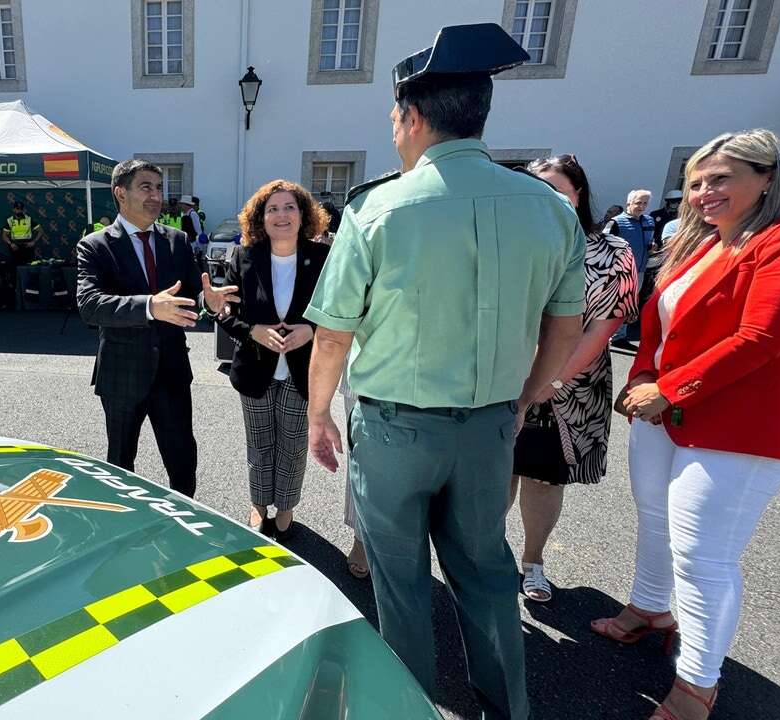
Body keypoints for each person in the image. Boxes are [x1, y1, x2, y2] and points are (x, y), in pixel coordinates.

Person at [304, 24, 585, 719]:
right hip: (490, 423)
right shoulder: (550, 207)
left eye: (395, 119)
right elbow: (566, 324)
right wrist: (527, 397)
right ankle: (506, 709)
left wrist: (317, 414)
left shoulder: (378, 207)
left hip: (395, 426)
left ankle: (412, 708)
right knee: (487, 574)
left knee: (401, 583)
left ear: (413, 117)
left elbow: (333, 335)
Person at [595, 129, 780, 720]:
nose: (702, 192)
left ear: (767, 177)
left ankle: (696, 684)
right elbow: (656, 327)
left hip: (738, 427)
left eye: (719, 178)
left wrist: (667, 389)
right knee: (653, 520)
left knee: (703, 556)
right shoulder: (701, 246)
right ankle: (648, 609)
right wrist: (643, 378)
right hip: (664, 414)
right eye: (695, 181)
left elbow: (762, 339)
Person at [509, 155, 639, 603]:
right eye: (538, 190)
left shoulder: (611, 252)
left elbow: (601, 329)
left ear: (578, 194)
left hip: (569, 389)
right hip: (504, 381)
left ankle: (533, 562)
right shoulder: (511, 246)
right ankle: (487, 559)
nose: (549, 200)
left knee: (544, 480)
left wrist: (547, 384)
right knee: (494, 477)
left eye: (558, 190)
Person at [76, 160, 238, 498]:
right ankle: (123, 528)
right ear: (120, 193)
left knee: (182, 460)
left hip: (172, 370)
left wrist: (209, 301)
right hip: (121, 373)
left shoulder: (177, 241)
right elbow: (90, 306)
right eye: (146, 187)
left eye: (159, 188)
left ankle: (184, 528)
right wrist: (150, 307)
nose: (156, 196)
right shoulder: (95, 245)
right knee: (120, 464)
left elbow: (195, 296)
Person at [216, 180, 330, 539]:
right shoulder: (243, 258)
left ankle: (285, 507)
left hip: (303, 371)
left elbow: (341, 311)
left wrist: (310, 331)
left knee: (294, 446)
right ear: (260, 219)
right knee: (259, 443)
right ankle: (258, 503)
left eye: (289, 207)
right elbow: (225, 313)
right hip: (254, 370)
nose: (281, 215)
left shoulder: (323, 258)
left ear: (303, 215)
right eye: (273, 209)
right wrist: (253, 331)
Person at [607, 189, 656, 348]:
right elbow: (604, 246)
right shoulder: (615, 222)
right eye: (638, 203)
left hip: (640, 271)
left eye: (645, 203)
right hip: (620, 271)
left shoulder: (649, 221)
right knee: (615, 304)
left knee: (630, 305)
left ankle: (619, 337)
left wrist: (652, 247)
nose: (641, 206)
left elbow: (649, 242)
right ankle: (606, 336)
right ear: (628, 203)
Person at [2, 200, 44, 265]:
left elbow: (40, 231)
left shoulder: (29, 219)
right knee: (14, 267)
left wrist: (34, 241)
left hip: (27, 246)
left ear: (23, 210)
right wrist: (10, 244)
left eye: (21, 209)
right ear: (14, 210)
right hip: (15, 246)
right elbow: (4, 235)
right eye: (17, 209)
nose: (19, 211)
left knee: (28, 267)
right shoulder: (9, 220)